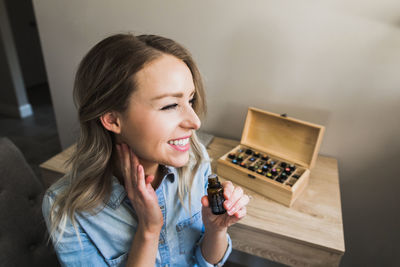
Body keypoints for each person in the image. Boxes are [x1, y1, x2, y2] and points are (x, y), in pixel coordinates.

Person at [42, 33, 250, 267]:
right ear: (112, 119)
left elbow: (208, 263)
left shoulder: (194, 158)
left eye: (190, 101)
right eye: (170, 105)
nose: (195, 122)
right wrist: (149, 230)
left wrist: (216, 229)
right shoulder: (66, 210)